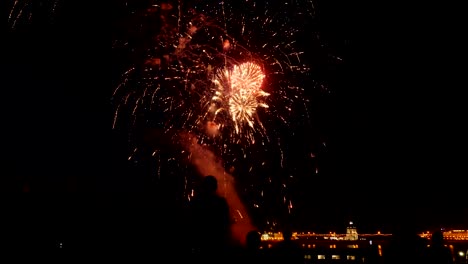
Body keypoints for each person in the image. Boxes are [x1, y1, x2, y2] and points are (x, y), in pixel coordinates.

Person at [188, 175, 232, 261]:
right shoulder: (221, 202)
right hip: (216, 243)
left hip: (200, 242)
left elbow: (191, 222)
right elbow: (226, 223)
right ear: (215, 187)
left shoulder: (196, 202)